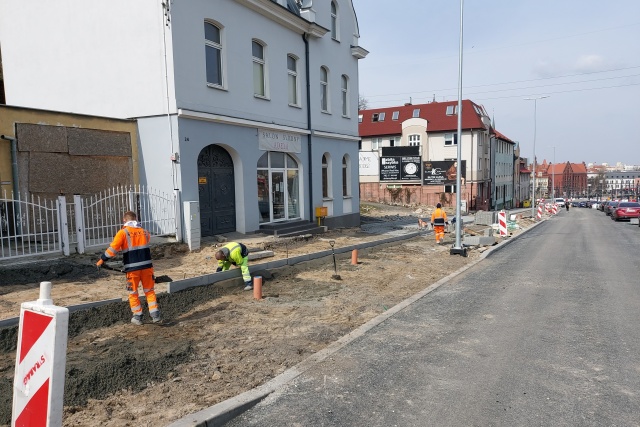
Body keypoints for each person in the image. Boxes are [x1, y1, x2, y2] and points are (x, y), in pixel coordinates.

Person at [96, 211, 161, 325]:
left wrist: (101, 260)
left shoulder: (123, 233)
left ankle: (137, 316)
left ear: (124, 220)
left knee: (133, 293)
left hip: (132, 269)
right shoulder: (145, 232)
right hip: (147, 267)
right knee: (149, 291)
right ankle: (155, 315)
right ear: (135, 219)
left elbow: (113, 250)